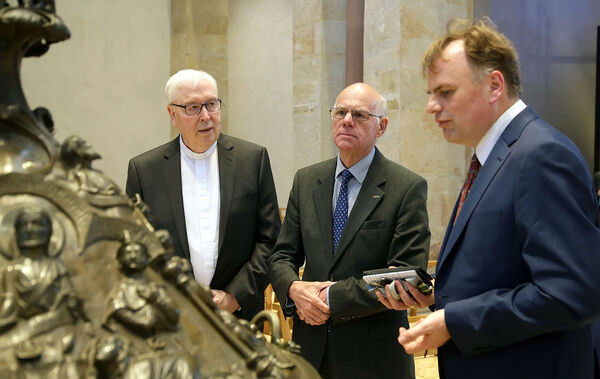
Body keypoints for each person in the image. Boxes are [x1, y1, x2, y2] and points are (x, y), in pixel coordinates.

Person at [386, 18, 600, 379]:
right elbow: (505, 269)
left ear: (494, 85)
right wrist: (439, 296)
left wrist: (455, 320)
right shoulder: (495, 155)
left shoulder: (541, 155)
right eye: (430, 94)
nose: (431, 107)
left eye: (445, 92)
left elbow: (572, 293)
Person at [269, 83, 431, 378]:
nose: (346, 120)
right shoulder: (307, 181)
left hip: (373, 358)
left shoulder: (405, 187)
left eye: (359, 114)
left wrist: (330, 298)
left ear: (381, 126)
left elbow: (405, 276)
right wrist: (293, 289)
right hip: (309, 352)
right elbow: (282, 256)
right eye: (340, 112)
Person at [126, 69, 281, 321]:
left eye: (211, 104)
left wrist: (234, 297)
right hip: (171, 318)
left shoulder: (252, 160)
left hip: (239, 317)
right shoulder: (144, 170)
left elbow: (270, 240)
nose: (206, 116)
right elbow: (137, 247)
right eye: (192, 108)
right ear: (172, 114)